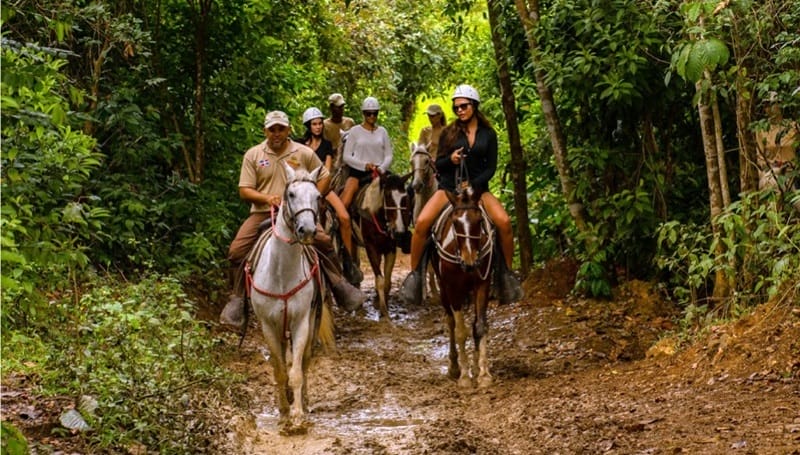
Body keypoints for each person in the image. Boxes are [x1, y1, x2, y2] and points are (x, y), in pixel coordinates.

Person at [220, 110, 366, 330]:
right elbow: (244, 190)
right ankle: (238, 298)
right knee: (236, 251)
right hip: (263, 212)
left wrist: (312, 198)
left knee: (324, 241)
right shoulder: (254, 154)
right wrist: (268, 198)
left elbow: (324, 176)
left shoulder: (303, 152)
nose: (276, 133)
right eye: (272, 129)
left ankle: (339, 285)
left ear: (289, 130)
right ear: (265, 131)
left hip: (299, 212)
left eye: (281, 129)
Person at [399, 85, 523, 306]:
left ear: (474, 106)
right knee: (421, 224)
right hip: (449, 189)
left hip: (478, 190)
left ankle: (506, 276)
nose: (460, 110)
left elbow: (491, 167)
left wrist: (473, 184)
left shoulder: (488, 134)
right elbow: (439, 164)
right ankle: (415, 278)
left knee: (504, 222)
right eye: (456, 107)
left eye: (464, 106)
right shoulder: (449, 133)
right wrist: (452, 160)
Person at [299, 106, 363, 284]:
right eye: (314, 124)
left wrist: (320, 189)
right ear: (308, 126)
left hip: (323, 187)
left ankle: (349, 261)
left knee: (343, 217)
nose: (318, 127)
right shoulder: (299, 145)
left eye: (320, 124)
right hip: (304, 188)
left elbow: (327, 170)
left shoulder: (326, 145)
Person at [339, 96, 394, 210]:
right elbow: (347, 156)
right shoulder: (355, 131)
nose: (372, 116)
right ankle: (337, 222)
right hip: (359, 173)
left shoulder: (382, 131)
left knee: (398, 191)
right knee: (345, 201)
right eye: (369, 113)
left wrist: (382, 168)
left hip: (379, 172)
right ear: (364, 114)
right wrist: (364, 166)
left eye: (375, 113)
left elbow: (388, 154)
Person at [755, 92, 799, 192]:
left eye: (771, 104)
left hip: (792, 171)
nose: (768, 108)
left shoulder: (793, 127)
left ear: (780, 105)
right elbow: (760, 158)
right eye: (765, 105)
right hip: (772, 173)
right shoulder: (761, 130)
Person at [323, 93, 356, 174]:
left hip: (349, 162)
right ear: (331, 107)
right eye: (338, 107)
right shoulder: (325, 125)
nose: (341, 109)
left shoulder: (350, 122)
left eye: (342, 107)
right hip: (332, 164)